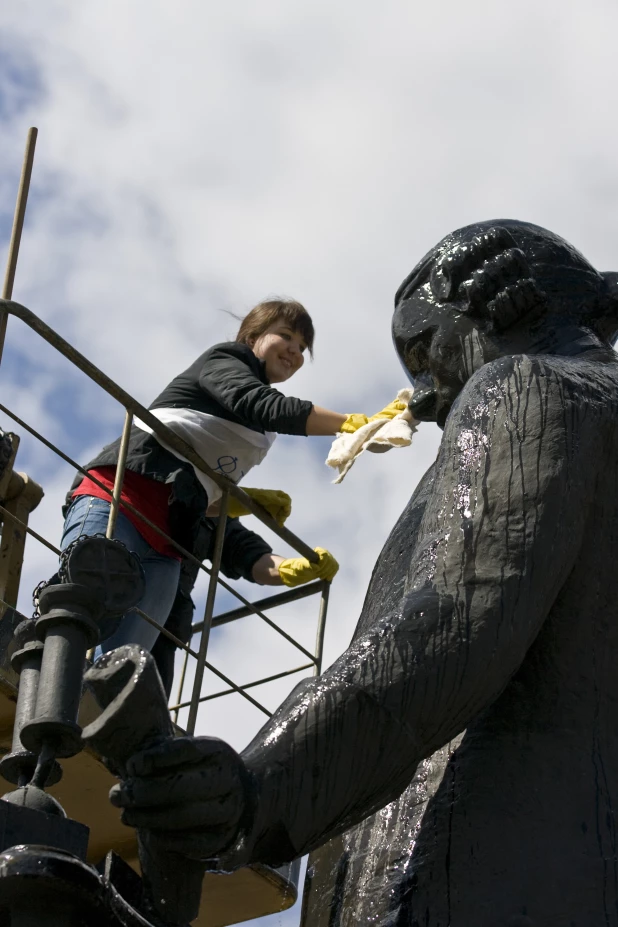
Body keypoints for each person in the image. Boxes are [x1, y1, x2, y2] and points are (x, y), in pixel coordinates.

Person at [110, 222, 618, 924]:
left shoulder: (525, 386)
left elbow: (459, 619)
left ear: (497, 307)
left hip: (464, 878)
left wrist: (256, 788)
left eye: (424, 351)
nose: (424, 395)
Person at [61, 298, 401, 655]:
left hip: (168, 545)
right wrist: (353, 424)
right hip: (119, 499)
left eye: (303, 348)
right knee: (77, 616)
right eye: (285, 335)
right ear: (252, 335)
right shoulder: (225, 360)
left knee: (124, 666)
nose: (295, 351)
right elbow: (260, 404)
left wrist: (267, 535)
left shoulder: (256, 433)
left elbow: (213, 513)